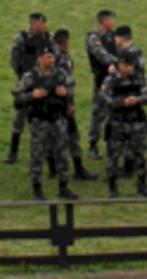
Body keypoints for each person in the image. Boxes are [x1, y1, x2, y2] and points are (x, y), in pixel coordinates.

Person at [14, 45, 77, 200]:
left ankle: (63, 187)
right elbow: (18, 97)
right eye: (48, 57)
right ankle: (37, 190)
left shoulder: (60, 74)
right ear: (40, 59)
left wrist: (66, 95)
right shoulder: (31, 77)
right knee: (38, 156)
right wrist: (32, 95)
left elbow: (71, 88)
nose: (52, 60)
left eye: (53, 57)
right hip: (39, 121)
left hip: (58, 119)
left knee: (62, 155)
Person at [100, 48, 147, 197]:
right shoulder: (111, 80)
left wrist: (137, 100)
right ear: (120, 65)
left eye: (132, 66)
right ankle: (112, 187)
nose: (130, 69)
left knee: (140, 155)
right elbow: (105, 97)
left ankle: (142, 185)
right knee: (113, 156)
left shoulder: (139, 78)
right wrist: (122, 102)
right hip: (117, 122)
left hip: (136, 122)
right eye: (126, 65)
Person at [50, 29, 97, 181]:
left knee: (51, 135)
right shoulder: (63, 57)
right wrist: (69, 103)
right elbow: (66, 82)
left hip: (49, 103)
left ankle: (53, 169)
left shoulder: (46, 55)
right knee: (71, 136)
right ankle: (78, 169)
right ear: (65, 41)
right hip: (62, 103)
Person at [6, 13, 52, 165]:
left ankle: (48, 153)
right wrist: (23, 76)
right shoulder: (22, 38)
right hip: (28, 81)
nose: (44, 26)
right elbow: (14, 59)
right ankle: (13, 151)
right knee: (20, 116)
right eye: (42, 24)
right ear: (34, 24)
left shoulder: (48, 38)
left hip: (45, 80)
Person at [86, 11, 120, 159]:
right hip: (102, 80)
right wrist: (118, 63)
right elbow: (100, 54)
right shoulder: (94, 38)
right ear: (104, 21)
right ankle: (93, 144)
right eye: (112, 20)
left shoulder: (113, 36)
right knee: (99, 113)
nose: (114, 22)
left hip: (116, 79)